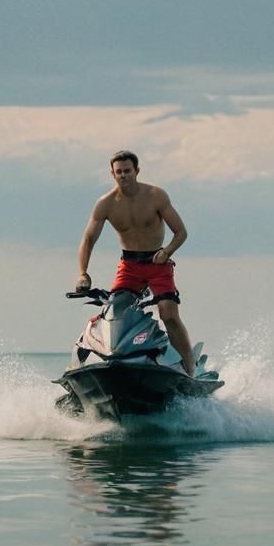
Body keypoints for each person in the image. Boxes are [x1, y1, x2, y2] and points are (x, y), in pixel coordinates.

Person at [76, 150, 196, 376]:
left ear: (137, 171)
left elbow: (181, 232)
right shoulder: (105, 204)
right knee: (113, 314)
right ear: (112, 174)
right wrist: (83, 273)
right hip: (129, 266)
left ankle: (190, 371)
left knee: (168, 314)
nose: (124, 176)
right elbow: (88, 239)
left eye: (128, 171)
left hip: (157, 263)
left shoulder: (156, 195)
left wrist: (167, 251)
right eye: (119, 172)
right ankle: (110, 361)